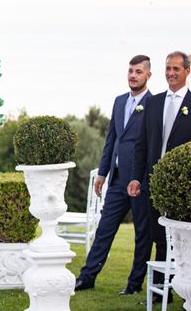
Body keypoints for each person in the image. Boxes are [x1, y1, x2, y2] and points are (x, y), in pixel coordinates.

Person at [74, 55, 152, 294]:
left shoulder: (154, 104)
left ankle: (134, 284)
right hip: (118, 179)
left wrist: (143, 177)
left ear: (148, 75)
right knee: (104, 229)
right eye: (131, 71)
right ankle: (87, 277)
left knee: (142, 234)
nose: (133, 75)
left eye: (139, 71)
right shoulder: (119, 102)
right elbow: (112, 140)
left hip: (141, 181)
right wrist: (103, 172)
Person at [129, 51, 191, 293]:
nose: (171, 73)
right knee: (158, 236)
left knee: (181, 238)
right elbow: (141, 144)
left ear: (187, 71)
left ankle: (182, 287)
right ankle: (158, 292)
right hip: (154, 182)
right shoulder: (153, 103)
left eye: (176, 69)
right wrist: (136, 177)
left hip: (183, 185)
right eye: (168, 68)